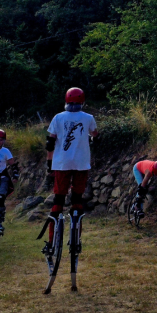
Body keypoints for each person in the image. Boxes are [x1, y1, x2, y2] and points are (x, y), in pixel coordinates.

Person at [43, 87, 98, 254]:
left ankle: (51, 242)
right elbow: (95, 134)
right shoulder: (88, 118)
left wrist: (49, 163)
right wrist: (90, 137)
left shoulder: (58, 117)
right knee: (77, 200)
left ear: (66, 100)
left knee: (58, 201)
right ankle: (76, 240)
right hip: (81, 164)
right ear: (83, 101)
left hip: (61, 164)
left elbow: (50, 143)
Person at [0, 129, 19, 235]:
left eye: (1, 140)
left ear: (4, 141)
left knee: (0, 198)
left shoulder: (5, 151)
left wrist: (15, 175)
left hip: (3, 178)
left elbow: (13, 164)